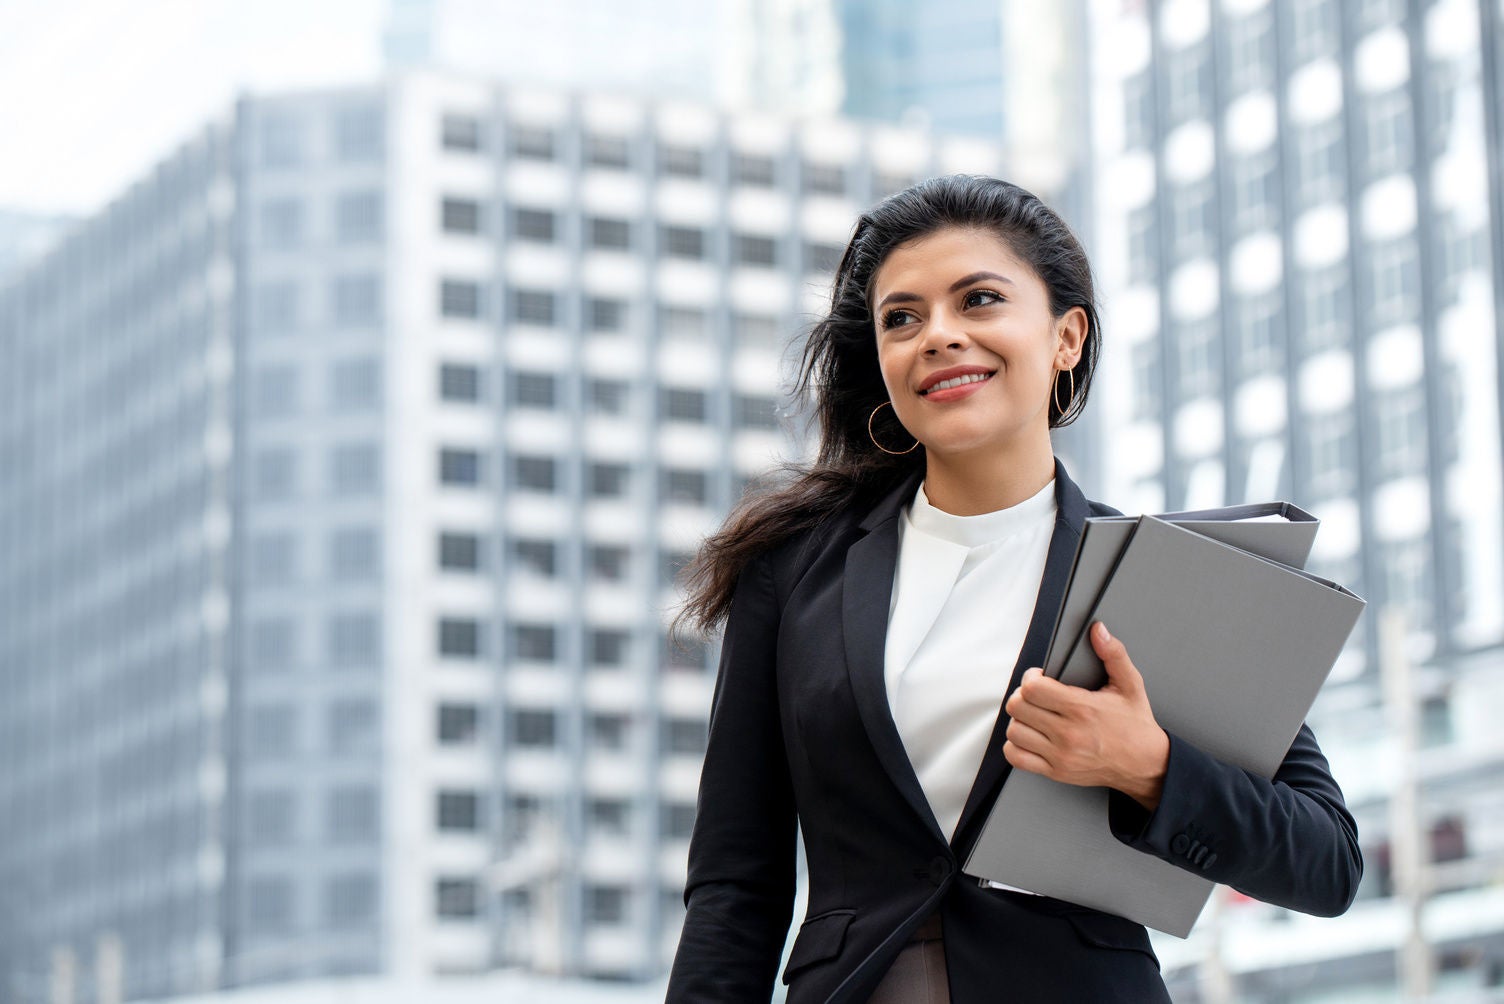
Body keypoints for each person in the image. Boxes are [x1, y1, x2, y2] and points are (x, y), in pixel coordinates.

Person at [665, 175, 1361, 1003]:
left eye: (980, 300)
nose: (939, 336)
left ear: (1066, 336)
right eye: (903, 318)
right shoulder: (792, 576)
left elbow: (1327, 861)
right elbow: (734, 890)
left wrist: (1150, 768)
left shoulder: (1166, 578)